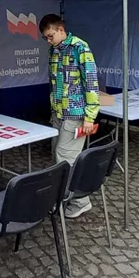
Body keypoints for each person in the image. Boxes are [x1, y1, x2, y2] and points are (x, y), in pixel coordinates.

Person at [40, 14, 100, 219]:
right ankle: (61, 197)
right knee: (58, 158)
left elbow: (91, 82)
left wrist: (90, 117)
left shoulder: (80, 48)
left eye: (50, 36)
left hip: (76, 115)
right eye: (45, 38)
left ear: (60, 30)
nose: (48, 40)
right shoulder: (54, 50)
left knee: (66, 158)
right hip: (58, 114)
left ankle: (80, 201)